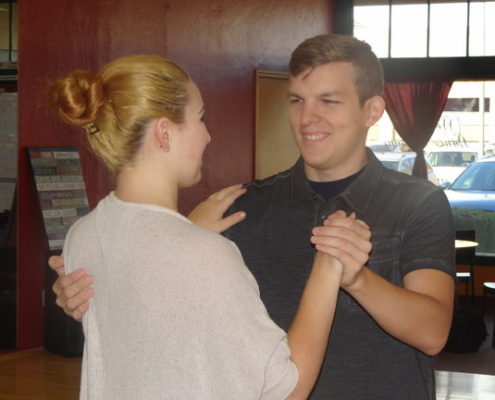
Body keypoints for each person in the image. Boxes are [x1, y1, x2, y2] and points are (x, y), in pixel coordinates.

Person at [50, 34, 456, 399]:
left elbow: (433, 333)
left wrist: (357, 277)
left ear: (373, 111)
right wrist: (96, 286)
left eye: (328, 101)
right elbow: (173, 289)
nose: (307, 118)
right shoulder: (243, 206)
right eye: (297, 100)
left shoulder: (418, 202)